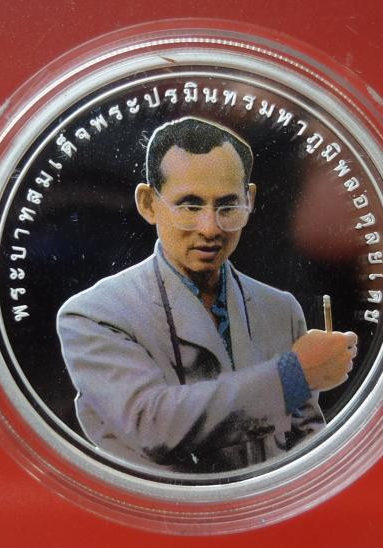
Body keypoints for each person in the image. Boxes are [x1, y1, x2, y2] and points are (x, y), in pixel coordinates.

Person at [57, 117, 357, 474]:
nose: (211, 228)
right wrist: (294, 376)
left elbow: (307, 444)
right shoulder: (94, 315)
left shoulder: (280, 309)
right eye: (190, 205)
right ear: (148, 203)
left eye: (228, 206)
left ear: (249, 201)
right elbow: (153, 426)